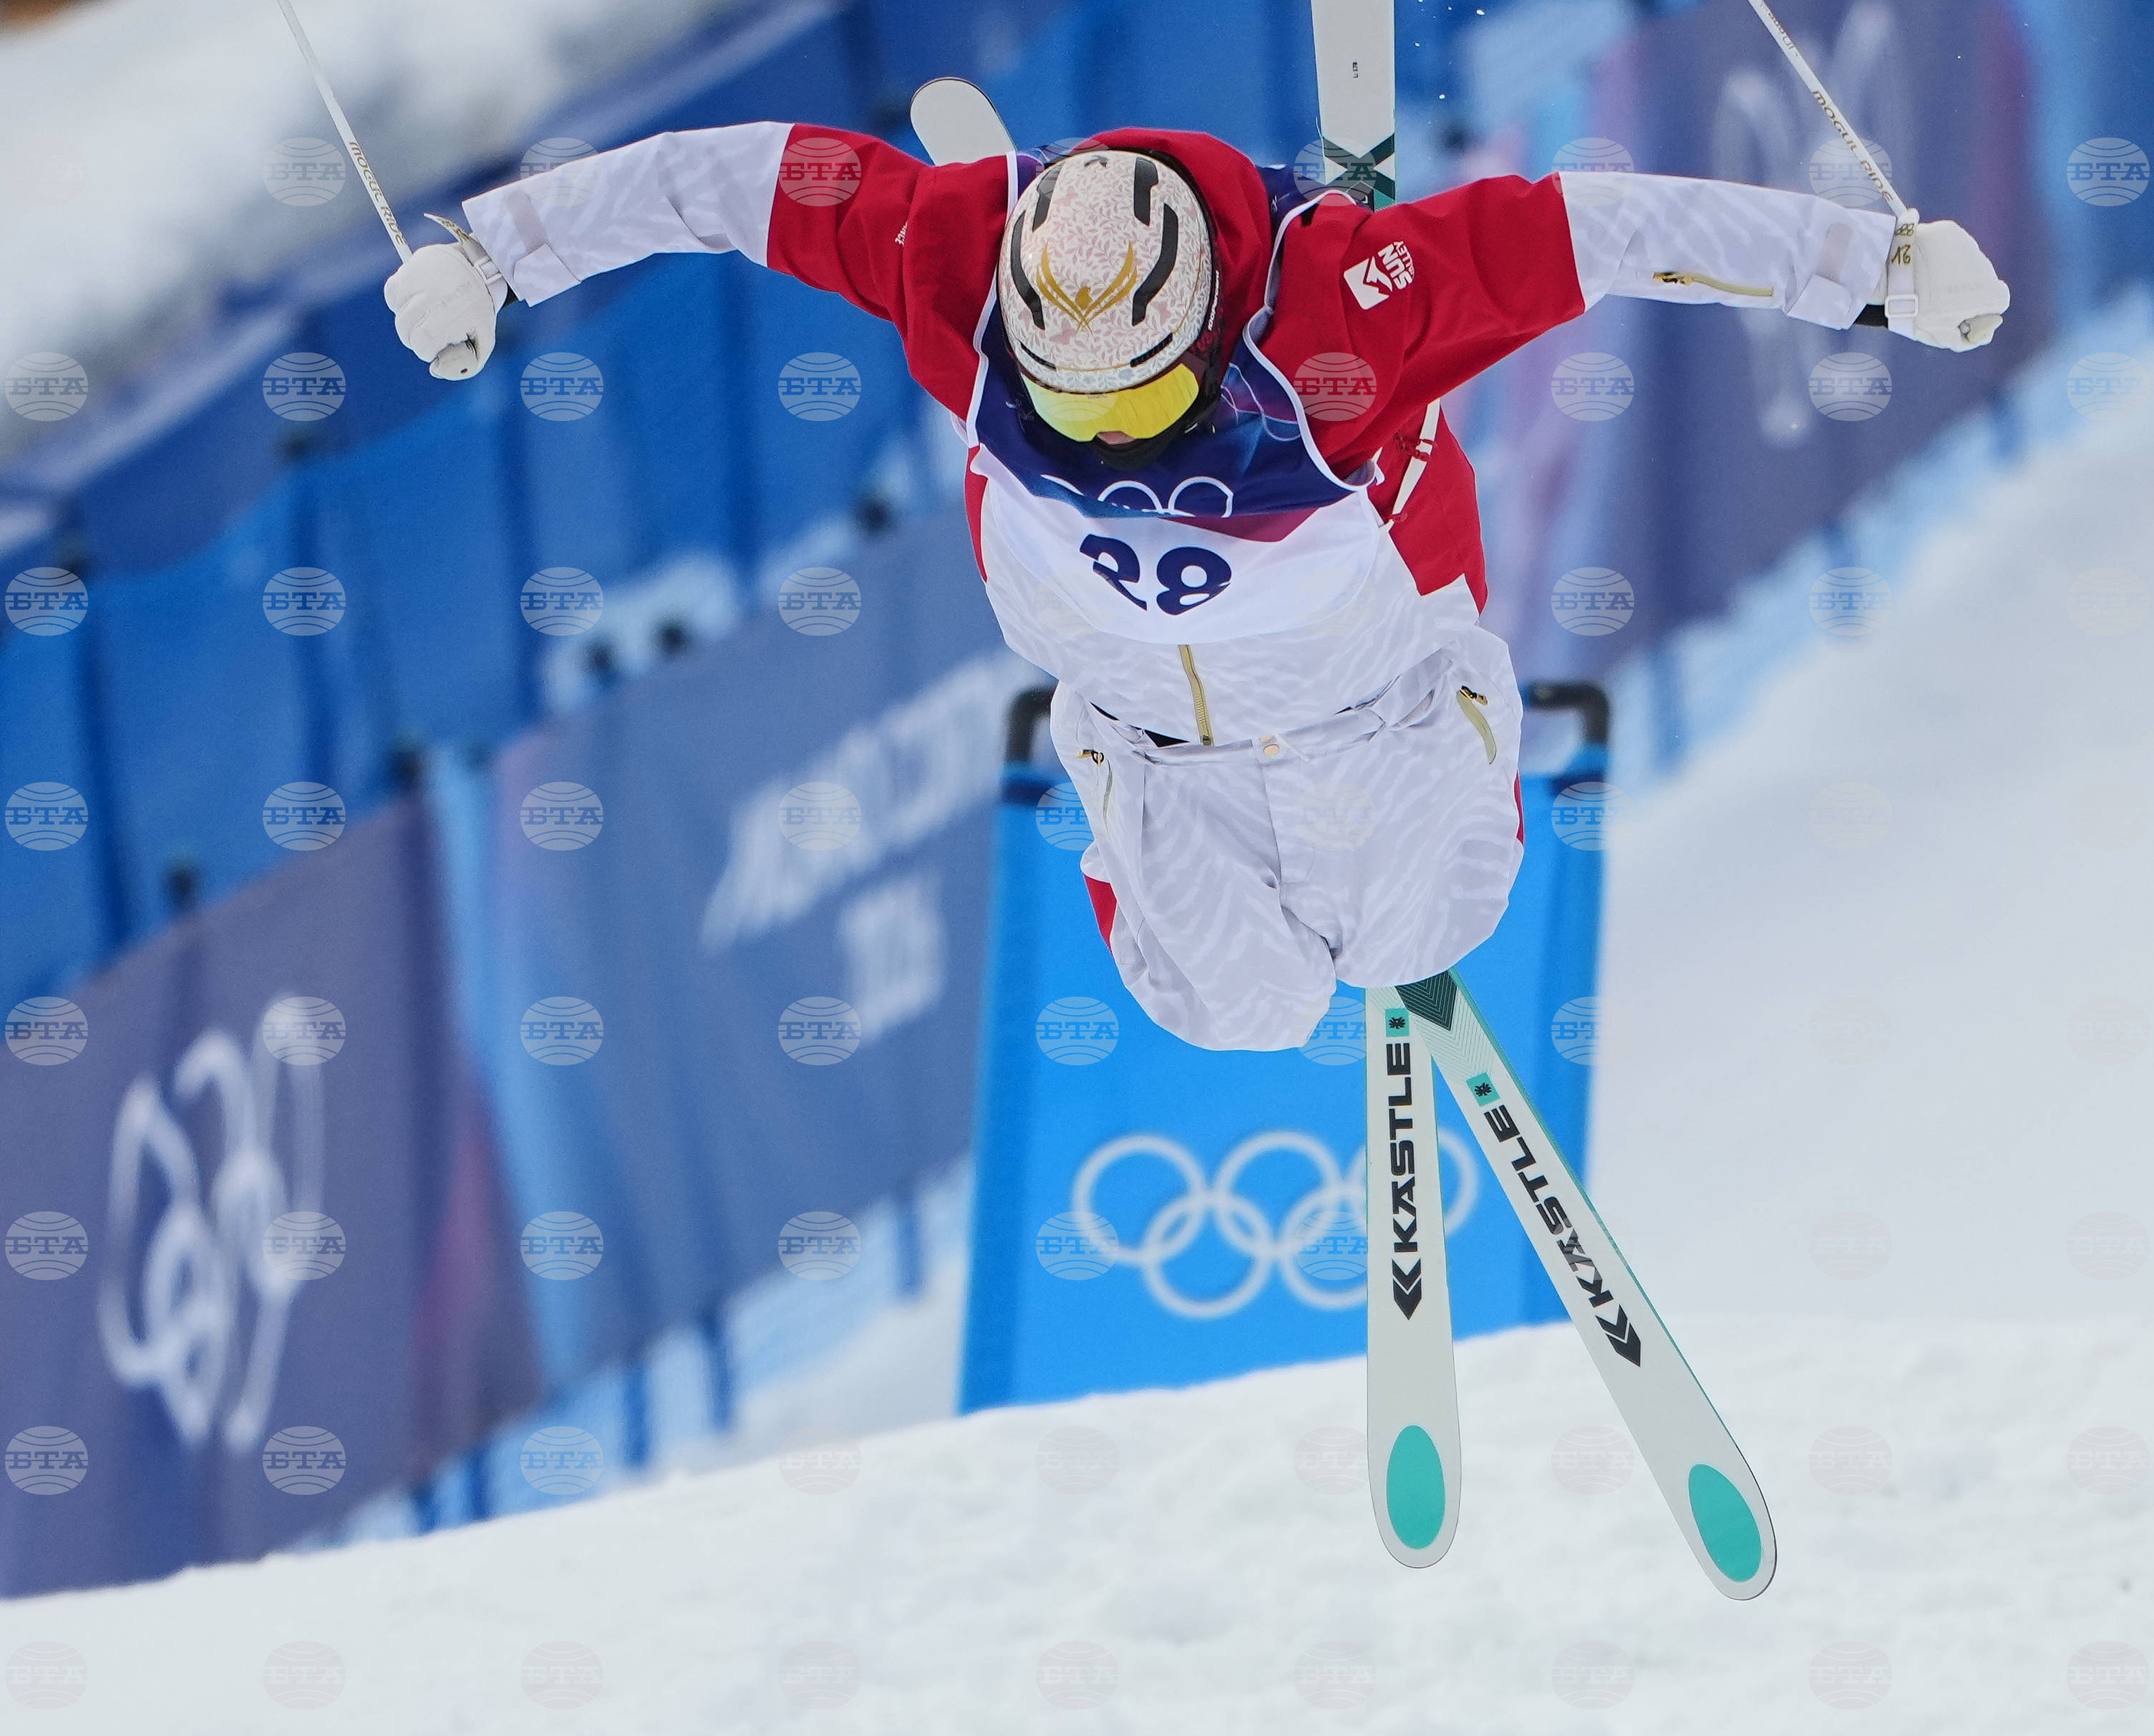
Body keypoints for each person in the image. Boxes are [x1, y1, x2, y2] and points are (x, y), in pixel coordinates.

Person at [385, 122, 2007, 1051]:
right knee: (1230, 1018)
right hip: (1145, 731)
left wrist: (1868, 269)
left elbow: (1616, 226)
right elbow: (728, 187)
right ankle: (1112, 787)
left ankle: (1463, 713)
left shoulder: (1354, 306)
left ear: (1207, 317)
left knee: (1422, 930)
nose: (1100, 434)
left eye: (1133, 403)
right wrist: (497, 251)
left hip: (1364, 699)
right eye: (1066, 401)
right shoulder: (951, 249)